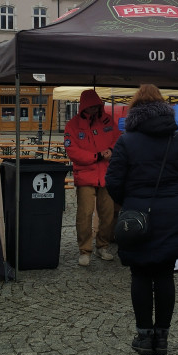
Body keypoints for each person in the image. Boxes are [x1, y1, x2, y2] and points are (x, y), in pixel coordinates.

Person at [105, 85, 178, 355]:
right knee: (165, 275)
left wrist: (130, 200)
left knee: (141, 274)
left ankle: (145, 338)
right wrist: (170, 197)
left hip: (137, 216)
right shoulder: (177, 140)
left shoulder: (126, 141)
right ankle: (163, 338)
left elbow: (113, 182)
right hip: (171, 213)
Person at [64, 89, 121, 266]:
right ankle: (85, 250)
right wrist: (95, 157)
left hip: (106, 175)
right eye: (92, 107)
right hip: (86, 176)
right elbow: (72, 150)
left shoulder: (107, 121)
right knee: (85, 214)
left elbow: (118, 138)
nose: (95, 110)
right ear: (84, 107)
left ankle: (102, 246)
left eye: (97, 107)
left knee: (108, 213)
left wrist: (111, 150)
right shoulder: (72, 125)